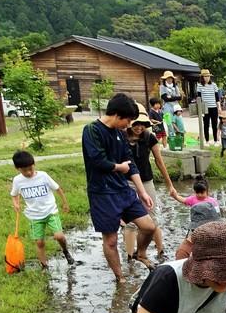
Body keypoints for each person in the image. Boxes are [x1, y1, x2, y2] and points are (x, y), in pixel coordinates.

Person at [81, 93, 155, 283]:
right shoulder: (91, 130)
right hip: (102, 193)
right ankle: (120, 277)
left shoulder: (120, 134)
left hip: (123, 191)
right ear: (117, 115)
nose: (129, 124)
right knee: (111, 240)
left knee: (149, 227)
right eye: (128, 120)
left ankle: (140, 253)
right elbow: (96, 160)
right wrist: (117, 167)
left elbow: (131, 164)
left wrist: (142, 191)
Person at [10, 150, 74, 268]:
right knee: (39, 242)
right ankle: (44, 266)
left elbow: (58, 188)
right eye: (25, 171)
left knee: (59, 236)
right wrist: (16, 203)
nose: (29, 172)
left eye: (31, 168)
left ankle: (65, 251)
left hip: (50, 212)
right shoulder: (17, 180)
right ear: (17, 168)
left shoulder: (43, 176)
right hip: (34, 216)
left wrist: (65, 203)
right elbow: (14, 194)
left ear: (34, 164)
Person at [124, 107, 172, 259]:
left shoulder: (149, 137)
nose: (139, 127)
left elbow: (159, 161)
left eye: (143, 124)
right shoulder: (122, 138)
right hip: (128, 182)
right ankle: (130, 256)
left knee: (152, 217)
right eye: (136, 123)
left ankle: (161, 251)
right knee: (131, 222)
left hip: (146, 180)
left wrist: (169, 184)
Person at [171, 179, 220, 259]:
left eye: (202, 192)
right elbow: (183, 200)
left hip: (210, 222)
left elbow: (217, 215)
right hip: (197, 223)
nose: (200, 195)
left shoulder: (213, 201)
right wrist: (175, 196)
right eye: (197, 192)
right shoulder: (193, 199)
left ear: (207, 191)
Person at [195, 69, 221, 143]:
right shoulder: (199, 85)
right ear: (202, 77)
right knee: (206, 125)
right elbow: (199, 97)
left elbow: (217, 97)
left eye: (208, 76)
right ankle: (207, 141)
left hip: (213, 107)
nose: (207, 78)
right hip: (205, 108)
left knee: (214, 124)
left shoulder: (214, 85)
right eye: (205, 76)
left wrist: (219, 107)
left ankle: (215, 140)